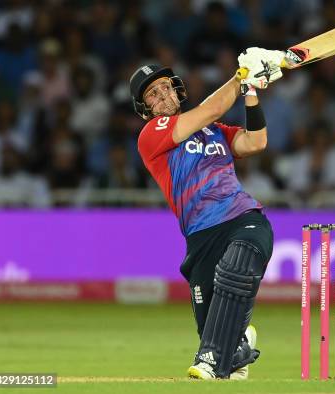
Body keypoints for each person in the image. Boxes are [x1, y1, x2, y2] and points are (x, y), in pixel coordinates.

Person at [128, 48, 285, 380]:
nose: (163, 96)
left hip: (243, 218)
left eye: (165, 87)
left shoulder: (216, 131)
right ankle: (238, 346)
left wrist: (252, 92)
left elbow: (255, 142)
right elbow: (212, 107)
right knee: (224, 347)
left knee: (236, 265)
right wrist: (241, 77)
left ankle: (210, 358)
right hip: (201, 236)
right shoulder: (152, 136)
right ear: (146, 109)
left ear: (176, 89)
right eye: (152, 94)